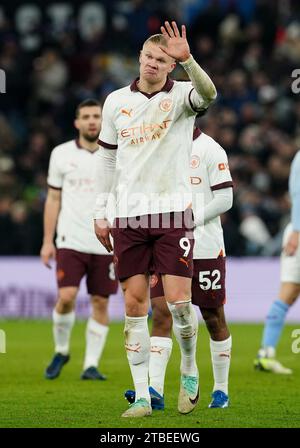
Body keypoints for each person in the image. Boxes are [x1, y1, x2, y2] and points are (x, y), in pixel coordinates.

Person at [94, 21, 217, 417]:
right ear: (140, 57)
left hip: (172, 212)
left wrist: (190, 61)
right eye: (148, 56)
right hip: (128, 217)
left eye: (161, 59)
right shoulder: (115, 102)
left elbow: (210, 94)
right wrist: (101, 212)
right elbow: (108, 159)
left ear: (170, 65)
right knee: (134, 307)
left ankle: (188, 366)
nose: (152, 63)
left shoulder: (183, 95)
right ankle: (143, 396)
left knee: (180, 305)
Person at [124, 127, 233, 410]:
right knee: (161, 312)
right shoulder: (155, 146)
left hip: (205, 246)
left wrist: (187, 221)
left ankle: (221, 390)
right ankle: (155, 389)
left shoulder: (210, 149)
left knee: (212, 316)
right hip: (165, 244)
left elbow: (225, 199)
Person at [41, 99, 118, 381]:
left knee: (100, 301)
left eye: (96, 116)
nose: (92, 121)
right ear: (77, 122)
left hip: (106, 241)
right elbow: (53, 198)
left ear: (103, 120)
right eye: (85, 116)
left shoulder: (116, 154)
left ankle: (90, 365)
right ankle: (61, 350)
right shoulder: (61, 154)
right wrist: (47, 241)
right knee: (66, 297)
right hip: (70, 238)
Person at [254, 150, 300, 374]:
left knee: (289, 292)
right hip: (298, 232)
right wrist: (298, 231)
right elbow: (298, 193)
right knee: (288, 291)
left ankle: (266, 353)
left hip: (296, 231)